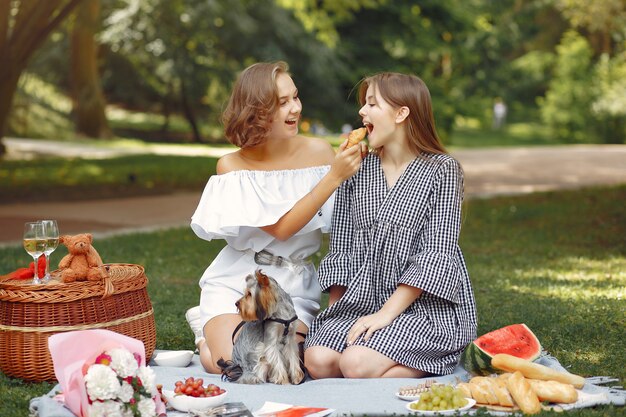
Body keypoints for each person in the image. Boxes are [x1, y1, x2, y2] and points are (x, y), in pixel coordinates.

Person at [187, 61, 365, 374]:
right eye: (281, 103)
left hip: (293, 284)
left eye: (295, 98)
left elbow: (352, 220)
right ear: (255, 111)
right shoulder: (232, 166)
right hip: (238, 282)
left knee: (273, 366)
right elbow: (281, 228)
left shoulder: (320, 152)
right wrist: (334, 176)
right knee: (239, 364)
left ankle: (210, 341)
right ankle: (208, 335)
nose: (294, 108)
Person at [304, 72, 477, 379]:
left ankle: (429, 364)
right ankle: (383, 372)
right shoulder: (356, 168)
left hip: (423, 308)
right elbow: (342, 246)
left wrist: (385, 315)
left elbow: (436, 254)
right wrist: (337, 315)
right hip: (361, 299)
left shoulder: (443, 170)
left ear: (401, 113)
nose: (361, 112)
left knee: (354, 364)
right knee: (318, 360)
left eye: (372, 104)